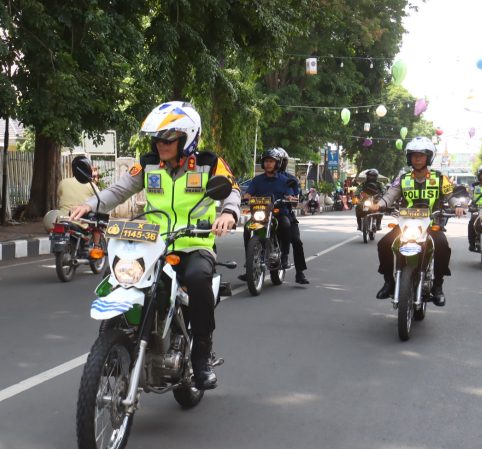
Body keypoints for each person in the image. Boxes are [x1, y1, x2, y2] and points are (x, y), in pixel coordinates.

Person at [70, 101, 240, 390]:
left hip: (193, 243)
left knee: (198, 280)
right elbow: (118, 191)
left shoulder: (209, 163)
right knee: (116, 277)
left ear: (187, 139)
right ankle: (114, 341)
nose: (160, 144)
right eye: (158, 138)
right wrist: (88, 205)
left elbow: (231, 190)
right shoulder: (148, 163)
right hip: (151, 244)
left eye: (168, 139)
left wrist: (228, 213)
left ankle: (201, 354)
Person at [371, 137, 461, 306]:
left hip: (430, 223)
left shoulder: (440, 178)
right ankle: (389, 281)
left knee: (442, 245)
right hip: (405, 223)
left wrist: (457, 205)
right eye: (414, 155)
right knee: (384, 244)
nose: (417, 159)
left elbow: (451, 196)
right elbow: (390, 195)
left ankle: (438, 285)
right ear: (409, 158)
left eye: (421, 155)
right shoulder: (403, 178)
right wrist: (379, 205)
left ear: (429, 157)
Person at [239, 148, 308, 284]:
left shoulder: (286, 180)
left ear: (277, 163)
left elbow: (292, 196)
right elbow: (248, 194)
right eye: (266, 161)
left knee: (289, 229)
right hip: (262, 213)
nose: (268, 164)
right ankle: (250, 262)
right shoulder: (257, 180)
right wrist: (243, 198)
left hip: (280, 213)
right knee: (247, 228)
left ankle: (287, 258)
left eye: (271, 161)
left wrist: (290, 198)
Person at [276, 147, 309, 284]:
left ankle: (299, 272)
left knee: (296, 240)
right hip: (264, 214)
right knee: (249, 230)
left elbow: (296, 201)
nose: (275, 163)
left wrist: (293, 199)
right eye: (270, 160)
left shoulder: (291, 180)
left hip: (285, 213)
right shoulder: (262, 178)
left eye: (279, 161)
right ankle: (249, 267)